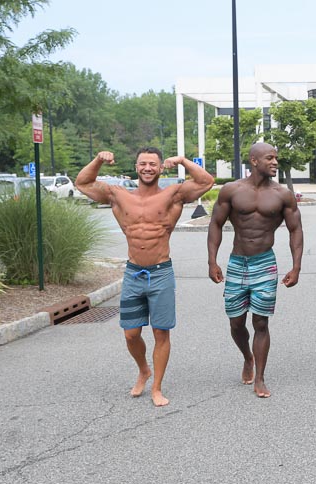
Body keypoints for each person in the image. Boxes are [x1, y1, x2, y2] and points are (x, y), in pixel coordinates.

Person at [75, 148, 214, 407]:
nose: (147, 168)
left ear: (160, 168)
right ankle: (143, 370)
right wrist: (98, 159)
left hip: (161, 273)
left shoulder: (174, 195)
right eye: (143, 164)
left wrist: (182, 161)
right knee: (131, 334)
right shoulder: (118, 195)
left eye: (152, 164)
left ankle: (157, 387)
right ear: (136, 167)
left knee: (161, 332)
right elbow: (82, 183)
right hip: (133, 273)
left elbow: (206, 181)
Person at [207, 143, 303, 399]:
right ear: (254, 160)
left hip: (265, 262)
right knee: (236, 322)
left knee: (261, 321)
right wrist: (212, 261)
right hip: (237, 262)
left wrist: (296, 266)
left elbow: (295, 230)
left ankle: (260, 377)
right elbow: (216, 223)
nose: (275, 162)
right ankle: (247, 357)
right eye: (269, 158)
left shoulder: (283, 194)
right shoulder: (232, 190)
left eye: (276, 158)